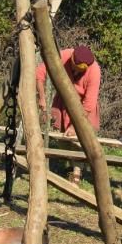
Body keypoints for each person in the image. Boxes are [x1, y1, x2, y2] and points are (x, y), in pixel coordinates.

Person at [36, 45, 101, 184]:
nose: (79, 71)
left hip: (83, 109)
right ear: (72, 61)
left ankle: (77, 172)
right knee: (62, 139)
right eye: (78, 68)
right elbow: (40, 73)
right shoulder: (64, 55)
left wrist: (74, 126)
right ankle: (73, 164)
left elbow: (89, 103)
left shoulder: (94, 70)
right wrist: (41, 98)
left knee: (78, 140)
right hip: (62, 103)